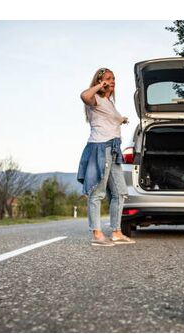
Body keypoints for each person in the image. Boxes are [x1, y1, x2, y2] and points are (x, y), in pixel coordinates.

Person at [77, 67, 136, 247]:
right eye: (107, 79)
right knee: (97, 193)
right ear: (98, 81)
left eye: (113, 78)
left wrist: (122, 119)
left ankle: (117, 232)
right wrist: (99, 85)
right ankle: (96, 233)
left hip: (113, 149)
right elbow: (84, 96)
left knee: (120, 193)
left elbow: (109, 119)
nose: (111, 81)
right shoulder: (94, 98)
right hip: (100, 148)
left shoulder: (108, 102)